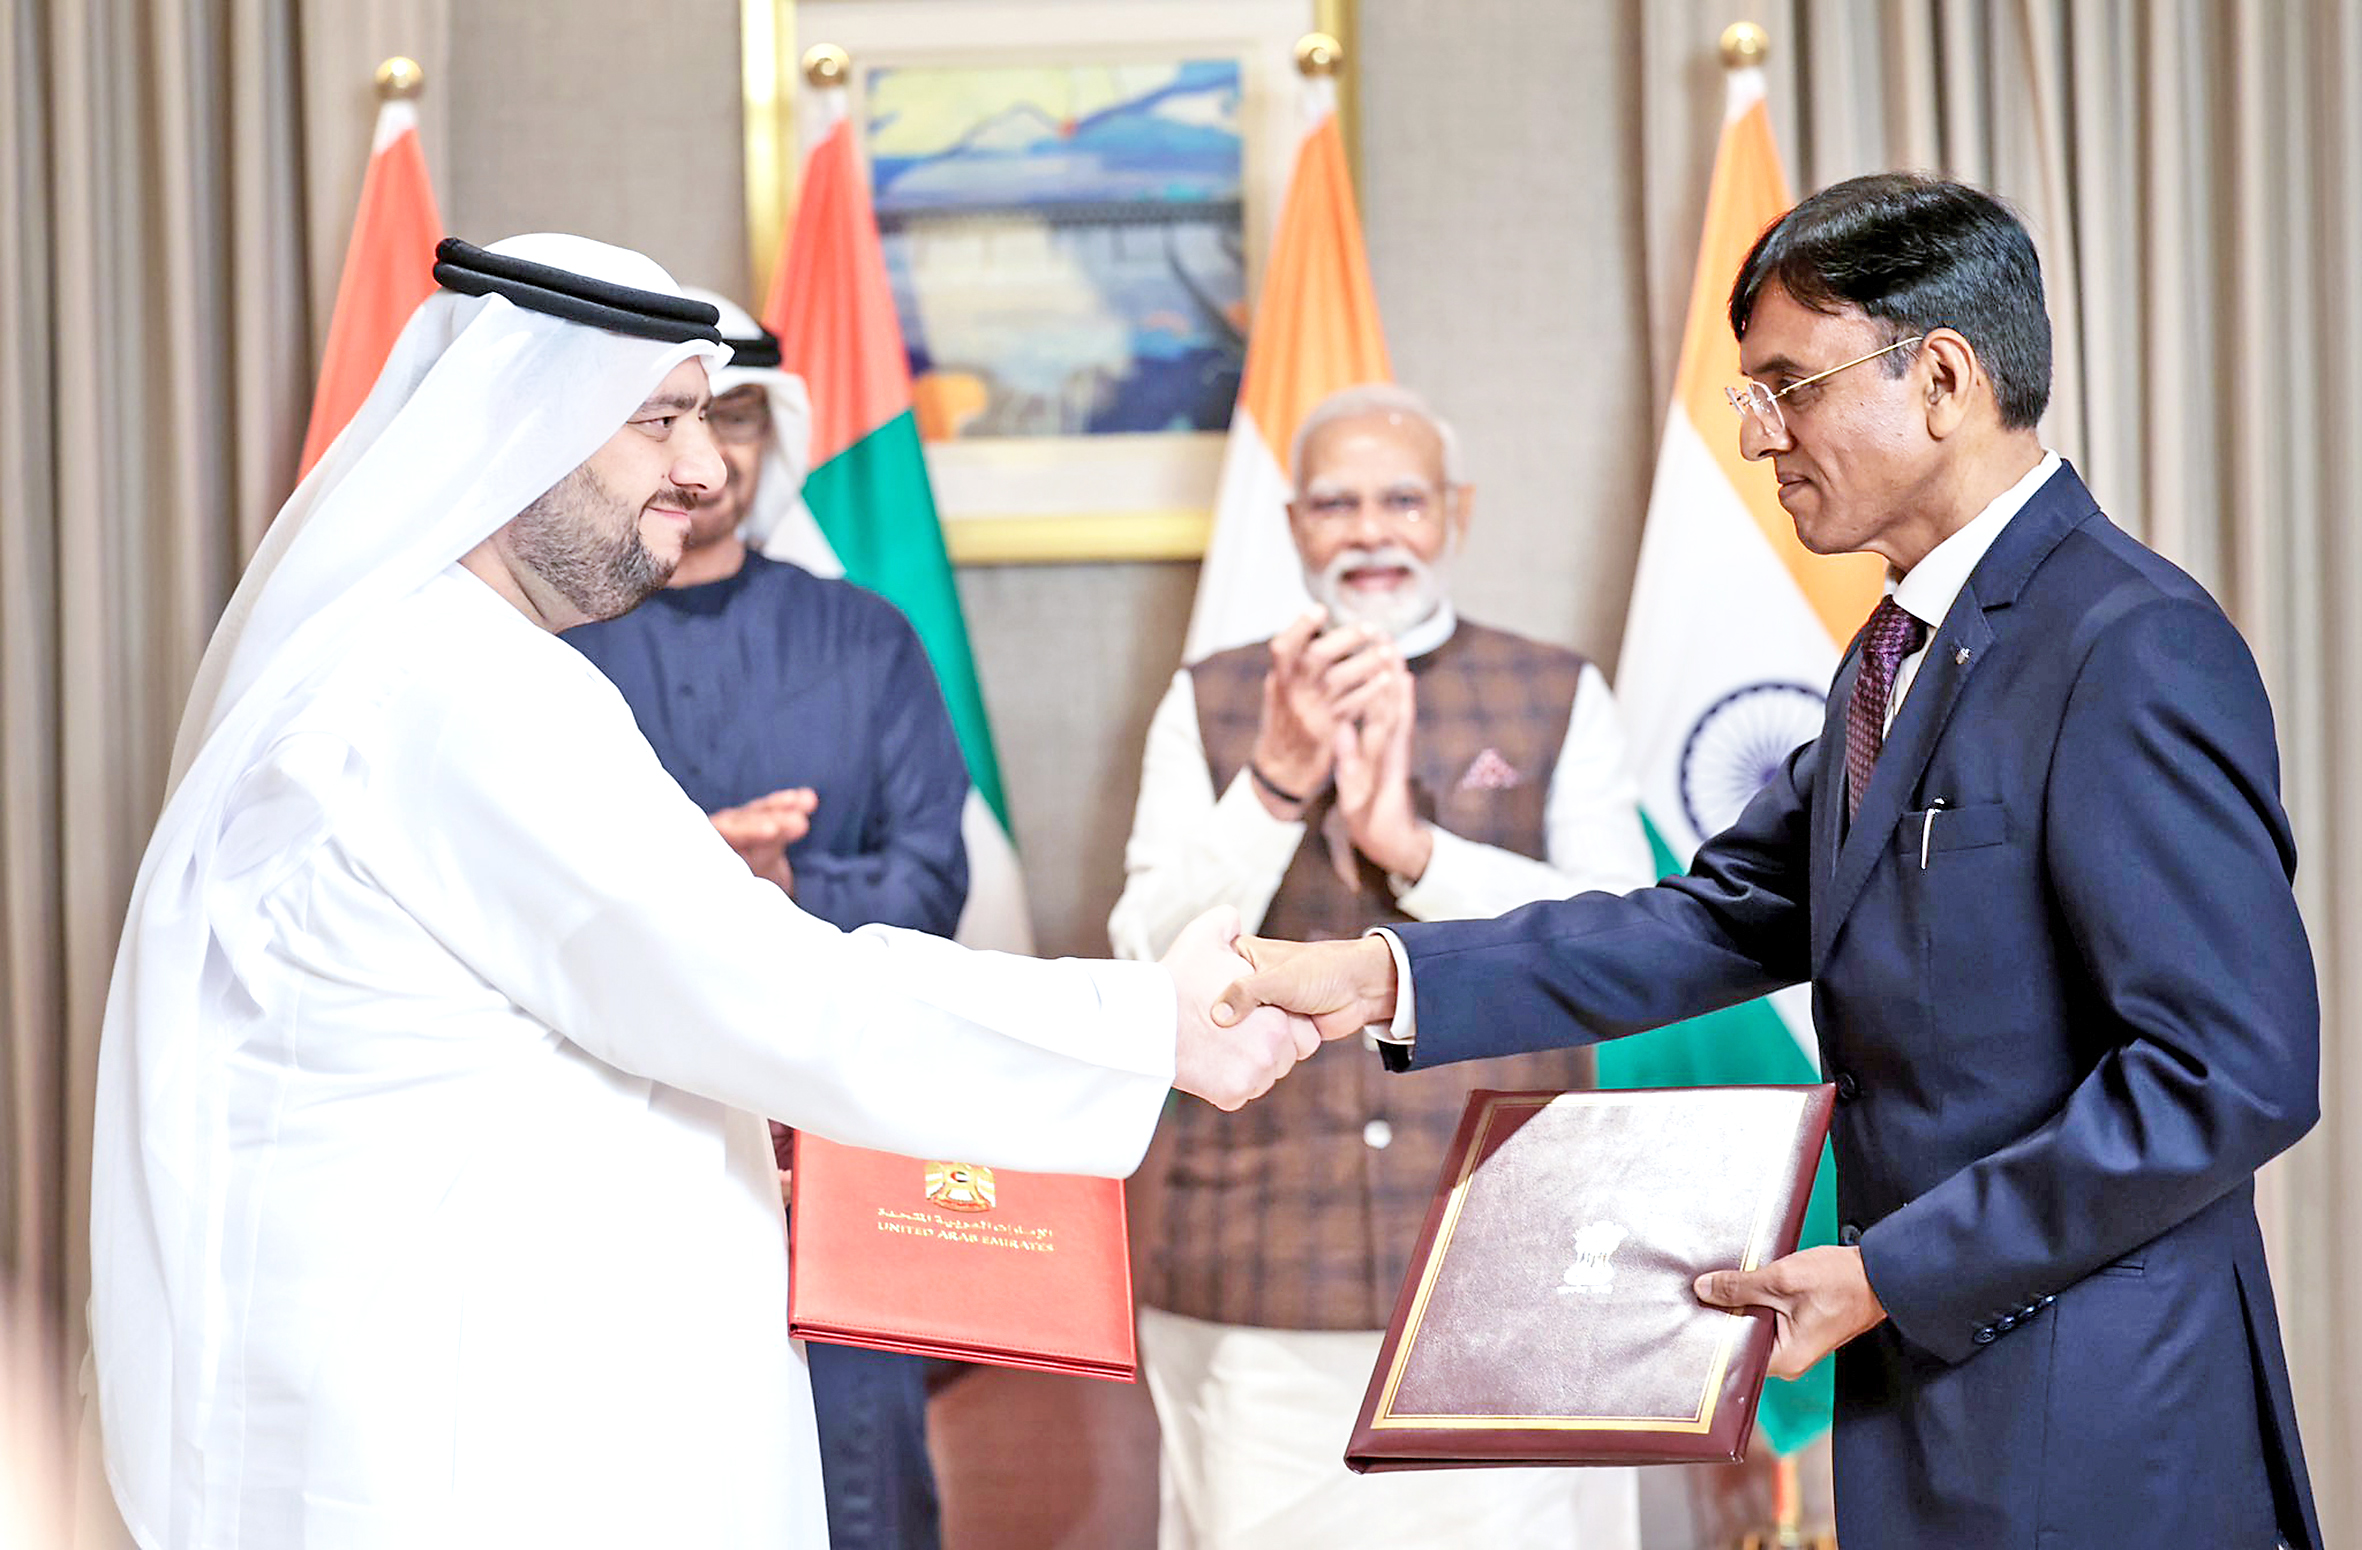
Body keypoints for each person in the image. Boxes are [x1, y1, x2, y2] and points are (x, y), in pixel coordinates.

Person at [85, 233, 1322, 1549]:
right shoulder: (452, 696)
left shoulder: (446, 664)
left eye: (707, 418)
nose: (706, 465)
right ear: (520, 427)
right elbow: (766, 986)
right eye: (657, 418)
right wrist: (1150, 1025)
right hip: (455, 1437)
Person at [1211, 174, 2323, 1550]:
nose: (1759, 438)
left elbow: (2232, 1071)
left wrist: (1890, 1270)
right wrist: (1382, 975)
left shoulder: (2126, 641)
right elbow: (1713, 917)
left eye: (1785, 386)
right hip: (1922, 1374)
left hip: (2094, 1403)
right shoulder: (1895, 647)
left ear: (1941, 377)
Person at [1108, 383, 1653, 1548]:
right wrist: (1273, 781)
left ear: (1453, 511)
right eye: (1337, 503)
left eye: (1400, 498)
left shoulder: (1555, 690)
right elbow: (1145, 956)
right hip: (1258, 1271)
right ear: (1295, 521)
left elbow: (1628, 941)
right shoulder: (1209, 698)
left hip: (1507, 1254)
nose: (1370, 530)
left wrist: (1416, 851)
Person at [565, 292, 964, 1550]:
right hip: (606, 1133)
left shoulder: (863, 636)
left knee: (856, 1471)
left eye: (733, 417)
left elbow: (930, 880)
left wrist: (787, 897)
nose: (710, 453)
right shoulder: (556, 635)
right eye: (676, 417)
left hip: (825, 1136)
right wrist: (696, 877)